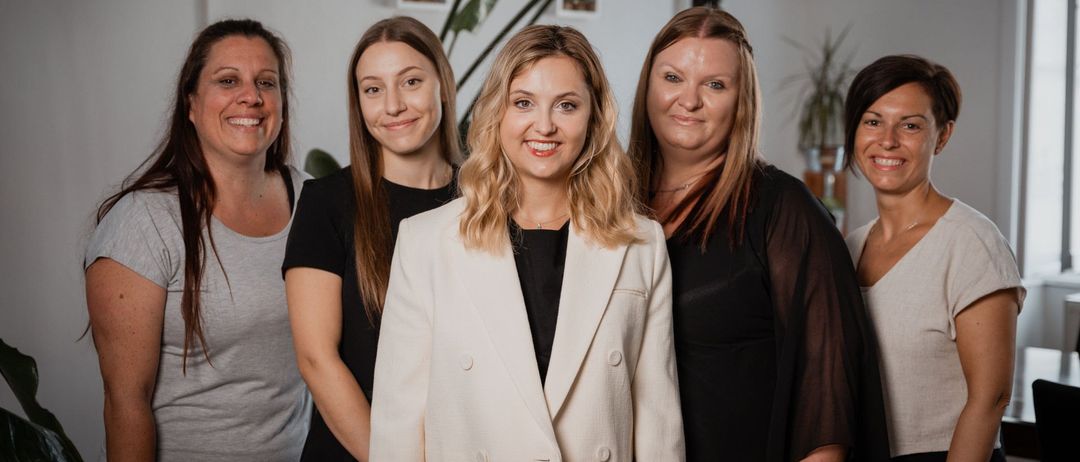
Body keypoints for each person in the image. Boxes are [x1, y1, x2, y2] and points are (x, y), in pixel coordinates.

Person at [369, 24, 684, 461]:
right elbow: (397, 429)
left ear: (593, 118)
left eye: (567, 106)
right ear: (498, 112)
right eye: (523, 103)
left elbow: (658, 423)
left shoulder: (641, 244)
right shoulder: (426, 242)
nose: (545, 126)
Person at [627, 7, 891, 461]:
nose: (688, 100)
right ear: (648, 84)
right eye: (672, 78)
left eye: (715, 84)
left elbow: (828, 398)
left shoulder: (784, 210)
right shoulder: (610, 204)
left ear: (741, 99)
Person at [84, 19, 310, 462]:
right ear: (191, 104)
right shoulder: (144, 223)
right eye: (228, 81)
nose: (252, 96)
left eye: (267, 82)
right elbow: (126, 403)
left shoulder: (315, 201)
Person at [282, 16, 460, 462]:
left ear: (443, 84)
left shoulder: (488, 201)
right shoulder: (327, 203)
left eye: (411, 81)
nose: (393, 105)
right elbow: (317, 361)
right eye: (373, 89)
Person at [843, 55, 1023, 462]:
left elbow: (990, 398)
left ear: (941, 137)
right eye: (872, 121)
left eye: (910, 125)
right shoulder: (850, 248)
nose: (887, 140)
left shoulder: (971, 242)